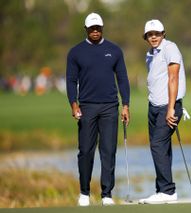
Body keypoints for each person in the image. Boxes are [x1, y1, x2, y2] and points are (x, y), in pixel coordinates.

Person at [66, 12, 130, 206]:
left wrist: (125, 104)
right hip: (86, 107)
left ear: (102, 28)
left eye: (98, 28)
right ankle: (84, 193)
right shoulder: (76, 52)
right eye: (92, 28)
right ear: (86, 29)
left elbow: (123, 79)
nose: (95, 31)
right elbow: (71, 80)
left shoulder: (115, 50)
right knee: (85, 151)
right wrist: (74, 104)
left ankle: (107, 195)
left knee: (108, 150)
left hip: (110, 106)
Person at [138, 19, 186, 204]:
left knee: (157, 145)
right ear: (146, 37)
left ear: (163, 33)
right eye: (150, 34)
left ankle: (167, 191)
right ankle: (162, 190)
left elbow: (173, 78)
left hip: (168, 107)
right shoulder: (149, 54)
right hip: (154, 107)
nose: (154, 37)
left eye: (157, 33)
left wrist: (172, 108)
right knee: (162, 148)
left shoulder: (170, 48)